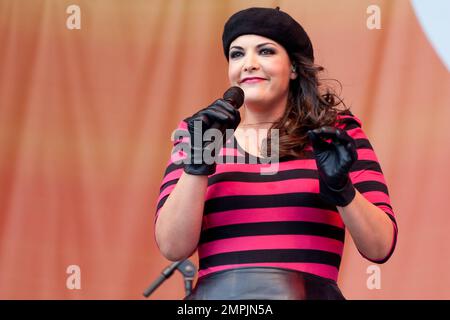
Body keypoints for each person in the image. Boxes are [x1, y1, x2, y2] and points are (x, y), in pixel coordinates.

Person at [154, 7, 397, 300]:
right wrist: (197, 166)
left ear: (294, 68)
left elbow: (380, 247)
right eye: (237, 54)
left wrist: (342, 190)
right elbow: (172, 247)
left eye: (266, 51)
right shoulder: (199, 131)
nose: (248, 64)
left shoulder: (335, 133)